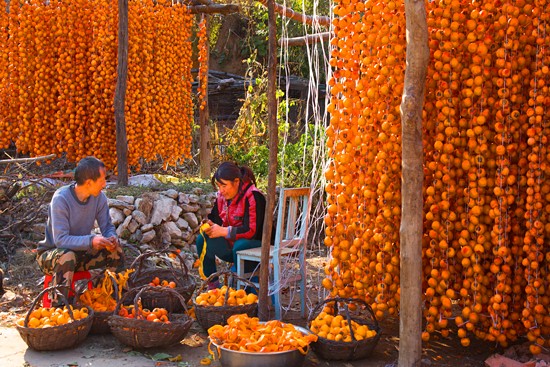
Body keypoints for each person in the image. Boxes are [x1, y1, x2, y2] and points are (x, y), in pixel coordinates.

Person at [36, 156, 123, 303]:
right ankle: (61, 308)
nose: (105, 184)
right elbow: (61, 241)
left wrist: (111, 238)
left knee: (115, 250)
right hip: (52, 255)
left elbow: (107, 226)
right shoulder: (61, 199)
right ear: (89, 182)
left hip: (80, 253)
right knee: (67, 256)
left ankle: (113, 299)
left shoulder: (99, 198)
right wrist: (91, 240)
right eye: (102, 180)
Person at [196, 162, 266, 288]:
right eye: (218, 186)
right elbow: (216, 219)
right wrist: (210, 224)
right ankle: (213, 287)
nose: (221, 190)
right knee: (202, 238)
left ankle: (246, 286)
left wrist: (223, 231)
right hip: (233, 247)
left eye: (224, 185)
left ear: (237, 181)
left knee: (240, 245)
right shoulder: (221, 197)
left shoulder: (253, 196)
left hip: (257, 247)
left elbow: (252, 231)